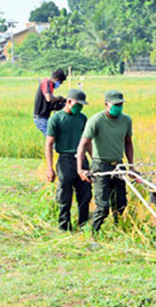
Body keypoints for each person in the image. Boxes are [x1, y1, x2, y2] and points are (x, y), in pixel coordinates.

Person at [77, 90, 134, 232]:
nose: (118, 107)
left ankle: (118, 231)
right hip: (100, 165)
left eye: (120, 104)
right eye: (115, 105)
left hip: (119, 165)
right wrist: (80, 169)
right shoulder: (96, 120)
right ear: (106, 104)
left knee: (120, 203)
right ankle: (92, 233)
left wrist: (131, 166)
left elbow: (128, 142)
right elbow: (83, 144)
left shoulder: (126, 120)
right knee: (103, 207)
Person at [45, 89, 92, 231]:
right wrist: (50, 168)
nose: (80, 107)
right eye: (78, 104)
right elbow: (49, 143)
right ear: (69, 101)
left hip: (82, 159)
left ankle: (83, 224)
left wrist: (94, 159)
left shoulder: (82, 118)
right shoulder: (56, 119)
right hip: (65, 159)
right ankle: (64, 226)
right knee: (65, 195)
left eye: (82, 105)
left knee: (85, 194)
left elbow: (87, 142)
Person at [34, 68, 67, 136]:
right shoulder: (47, 82)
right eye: (60, 82)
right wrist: (59, 99)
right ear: (56, 79)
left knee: (54, 138)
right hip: (41, 118)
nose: (59, 84)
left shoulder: (50, 86)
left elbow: (49, 104)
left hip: (44, 117)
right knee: (52, 139)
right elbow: (49, 98)